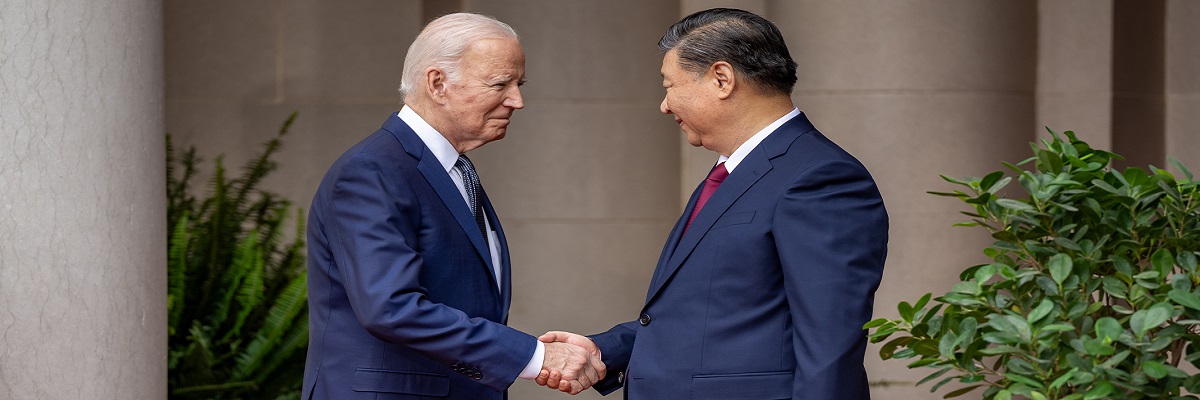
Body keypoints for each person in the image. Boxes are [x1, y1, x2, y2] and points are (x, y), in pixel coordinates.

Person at [537, 8, 888, 399]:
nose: (664, 105)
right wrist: (607, 349)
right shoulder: (733, 173)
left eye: (670, 86)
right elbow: (714, 314)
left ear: (722, 79)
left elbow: (830, 346)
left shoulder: (820, 178)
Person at [303, 12, 604, 400]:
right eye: (500, 84)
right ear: (437, 83)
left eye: (519, 84)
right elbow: (391, 308)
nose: (517, 100)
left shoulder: (451, 168)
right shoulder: (372, 170)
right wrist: (536, 355)